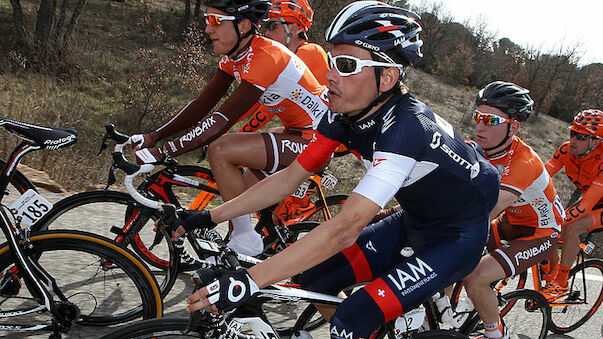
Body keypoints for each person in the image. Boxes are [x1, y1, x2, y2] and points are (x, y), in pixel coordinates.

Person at [173, 2, 500, 338]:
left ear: (387, 77)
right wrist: (211, 217)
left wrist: (251, 280)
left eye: (345, 65)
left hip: (456, 238)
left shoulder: (407, 128)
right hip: (414, 219)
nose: (329, 75)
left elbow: (346, 228)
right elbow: (288, 178)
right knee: (315, 279)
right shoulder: (342, 115)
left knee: (349, 322)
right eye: (332, 62)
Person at [131, 0, 329, 256]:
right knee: (238, 197)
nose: (207, 30)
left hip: (316, 140)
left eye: (215, 22)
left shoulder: (265, 56)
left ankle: (245, 239)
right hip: (293, 133)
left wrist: (163, 152)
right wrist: (152, 137)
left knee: (221, 149)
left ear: (244, 25)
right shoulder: (235, 58)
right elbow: (201, 106)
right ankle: (254, 249)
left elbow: (221, 120)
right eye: (206, 21)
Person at [462, 81, 564, 339]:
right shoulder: (478, 149)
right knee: (452, 262)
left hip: (541, 232)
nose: (480, 125)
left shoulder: (523, 161)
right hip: (510, 222)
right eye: (478, 117)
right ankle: (447, 321)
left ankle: (497, 334)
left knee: (475, 278)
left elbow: (489, 209)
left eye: (491, 120)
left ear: (514, 127)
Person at [540, 109, 603, 300]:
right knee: (548, 228)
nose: (574, 140)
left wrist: (557, 219)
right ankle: (550, 275)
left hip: (595, 202)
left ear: (596, 141)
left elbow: (585, 205)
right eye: (572, 133)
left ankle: (561, 282)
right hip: (591, 199)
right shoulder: (567, 150)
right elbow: (540, 174)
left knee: (572, 227)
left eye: (582, 136)